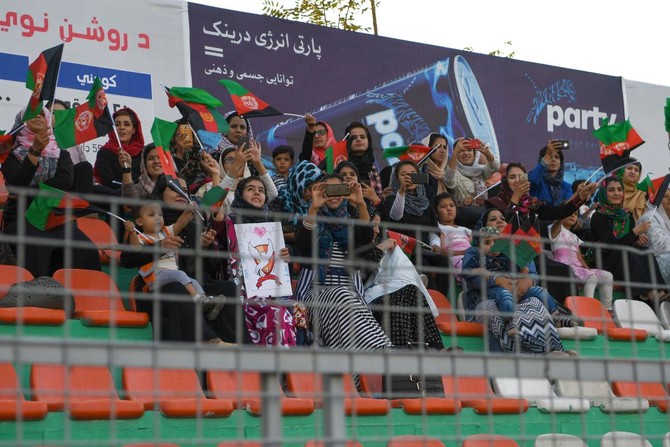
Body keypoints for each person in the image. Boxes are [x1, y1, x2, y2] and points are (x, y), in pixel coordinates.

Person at [121, 175, 244, 345]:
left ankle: (241, 347)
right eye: (174, 188)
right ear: (160, 194)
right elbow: (127, 259)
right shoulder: (145, 231)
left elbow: (211, 267)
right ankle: (211, 342)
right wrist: (159, 247)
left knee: (229, 288)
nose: (181, 193)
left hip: (195, 282)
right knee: (178, 287)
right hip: (161, 287)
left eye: (184, 190)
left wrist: (203, 248)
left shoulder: (193, 225)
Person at [293, 174, 391, 351]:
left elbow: (366, 237)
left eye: (339, 190)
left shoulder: (350, 224)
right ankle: (383, 349)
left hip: (348, 301)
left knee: (346, 315)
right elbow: (301, 241)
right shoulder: (308, 219)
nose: (335, 195)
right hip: (315, 299)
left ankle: (357, 370)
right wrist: (314, 208)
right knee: (342, 295)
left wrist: (361, 203)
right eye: (329, 191)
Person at [1, 107, 101, 278]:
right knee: (35, 243)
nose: (38, 116)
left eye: (42, 114)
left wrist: (30, 191)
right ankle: (34, 293)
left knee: (86, 248)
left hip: (56, 218)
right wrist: (35, 151)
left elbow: (64, 182)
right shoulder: (11, 154)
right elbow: (17, 184)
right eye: (32, 114)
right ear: (21, 122)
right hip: (22, 216)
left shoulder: (61, 153)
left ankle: (80, 298)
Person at [485, 162, 597, 303]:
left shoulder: (532, 203)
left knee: (565, 271)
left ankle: (567, 313)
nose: (517, 180)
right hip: (506, 256)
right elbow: (504, 226)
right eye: (512, 177)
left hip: (531, 254)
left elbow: (558, 212)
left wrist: (578, 197)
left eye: (521, 177)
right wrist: (515, 197)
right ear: (505, 180)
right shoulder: (495, 203)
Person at [461, 226, 569, 355]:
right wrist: (497, 280)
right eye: (488, 242)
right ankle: (515, 357)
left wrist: (526, 280)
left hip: (517, 295)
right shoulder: (475, 254)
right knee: (495, 311)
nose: (494, 246)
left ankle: (554, 349)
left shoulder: (511, 251)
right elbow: (472, 279)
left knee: (536, 302)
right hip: (486, 299)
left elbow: (531, 274)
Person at [223, 176, 296, 347]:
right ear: (240, 195)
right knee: (274, 313)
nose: (257, 192)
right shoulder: (229, 222)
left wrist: (287, 254)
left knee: (285, 311)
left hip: (271, 293)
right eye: (251, 189)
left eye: (261, 190)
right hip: (240, 292)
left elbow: (280, 272)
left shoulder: (271, 227)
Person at [590, 175, 668, 304]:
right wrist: (635, 232)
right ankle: (650, 294)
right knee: (628, 252)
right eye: (611, 190)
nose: (617, 193)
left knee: (645, 251)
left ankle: (661, 292)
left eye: (619, 189)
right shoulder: (599, 216)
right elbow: (611, 245)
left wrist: (637, 240)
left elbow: (628, 240)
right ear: (603, 193)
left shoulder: (627, 216)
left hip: (623, 259)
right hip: (605, 261)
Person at [378, 160, 452, 293]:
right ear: (396, 179)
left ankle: (442, 298)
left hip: (425, 249)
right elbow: (395, 216)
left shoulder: (425, 203)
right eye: (404, 175)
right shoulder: (392, 198)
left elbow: (432, 230)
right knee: (422, 261)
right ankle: (431, 300)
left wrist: (436, 244)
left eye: (413, 174)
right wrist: (402, 191)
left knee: (444, 261)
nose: (409, 178)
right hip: (405, 250)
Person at [125, 201, 214, 304]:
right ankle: (197, 300)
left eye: (160, 214)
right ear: (140, 222)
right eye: (152, 215)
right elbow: (136, 249)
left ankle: (205, 301)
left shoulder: (165, 232)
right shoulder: (140, 237)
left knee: (193, 282)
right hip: (155, 276)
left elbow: (180, 223)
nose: (158, 218)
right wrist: (132, 232)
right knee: (181, 275)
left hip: (172, 274)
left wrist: (189, 211)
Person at [549, 210, 614, 309]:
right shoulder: (556, 230)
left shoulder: (574, 237)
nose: (572, 215)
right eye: (569, 213)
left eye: (575, 214)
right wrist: (564, 212)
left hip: (578, 267)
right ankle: (589, 308)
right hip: (565, 267)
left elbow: (579, 258)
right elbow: (558, 221)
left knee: (607, 276)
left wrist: (587, 269)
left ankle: (608, 309)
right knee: (591, 277)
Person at [444, 137, 499, 228]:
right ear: (456, 154)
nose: (466, 153)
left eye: (469, 150)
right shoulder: (453, 172)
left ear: (474, 154)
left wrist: (487, 152)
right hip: (465, 220)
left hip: (484, 218)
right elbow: (449, 181)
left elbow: (495, 166)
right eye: (461, 151)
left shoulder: (480, 171)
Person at [48, 99, 93, 194]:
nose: (59, 117)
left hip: (77, 185)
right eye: (55, 113)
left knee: (114, 195)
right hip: (56, 182)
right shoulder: (40, 138)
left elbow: (84, 167)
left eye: (63, 114)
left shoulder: (72, 142)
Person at [93, 108, 144, 189]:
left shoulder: (144, 153)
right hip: (114, 196)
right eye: (117, 124)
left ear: (134, 130)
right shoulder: (104, 152)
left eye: (126, 124)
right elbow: (108, 182)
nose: (121, 128)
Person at [429, 193, 471, 278]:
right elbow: (439, 248)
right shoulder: (437, 228)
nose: (449, 209)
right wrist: (462, 253)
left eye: (452, 205)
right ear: (436, 213)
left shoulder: (466, 230)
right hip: (454, 261)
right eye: (443, 206)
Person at [529, 141, 573, 206]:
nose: (553, 160)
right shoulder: (538, 182)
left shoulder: (566, 186)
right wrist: (547, 154)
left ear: (561, 163)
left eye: (557, 157)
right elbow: (532, 180)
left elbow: (568, 206)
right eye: (550, 157)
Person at [640, 189, 670, 284]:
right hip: (656, 264)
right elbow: (659, 244)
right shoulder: (649, 218)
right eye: (665, 196)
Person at [344, 121, 383, 194]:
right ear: (347, 142)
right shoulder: (340, 164)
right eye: (353, 138)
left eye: (363, 137)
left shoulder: (372, 165)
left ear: (368, 141)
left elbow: (378, 194)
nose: (359, 140)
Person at [422, 132, 449, 200]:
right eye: (438, 146)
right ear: (427, 148)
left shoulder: (446, 174)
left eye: (444, 147)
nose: (442, 151)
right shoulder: (421, 172)